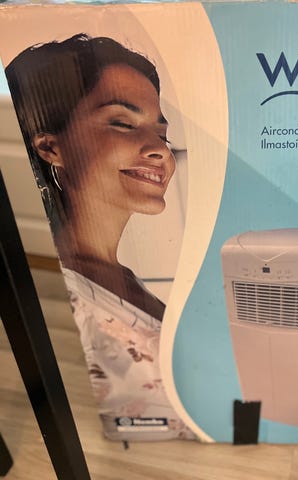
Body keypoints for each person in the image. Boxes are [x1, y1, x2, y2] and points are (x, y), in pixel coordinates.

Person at [6, 34, 192, 440]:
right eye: (123, 123)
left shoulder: (117, 276)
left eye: (161, 134)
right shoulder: (78, 292)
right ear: (51, 147)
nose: (159, 150)